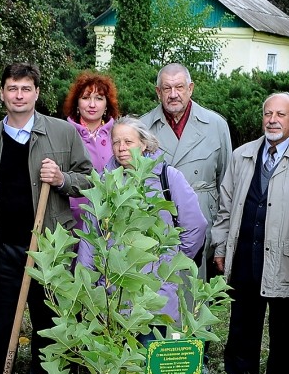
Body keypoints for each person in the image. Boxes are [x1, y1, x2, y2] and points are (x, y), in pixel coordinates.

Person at [0, 62, 92, 374]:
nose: (19, 95)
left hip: (49, 248)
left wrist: (63, 178)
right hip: (4, 251)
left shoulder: (63, 134)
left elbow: (89, 177)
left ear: (36, 93)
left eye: (26, 89)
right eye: (12, 89)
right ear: (2, 93)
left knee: (49, 325)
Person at [212, 93, 289, 374]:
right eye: (268, 114)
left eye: (281, 114)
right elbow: (225, 208)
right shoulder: (242, 156)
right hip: (246, 253)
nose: (273, 120)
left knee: (285, 330)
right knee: (242, 323)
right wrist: (221, 248)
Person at [76, 116, 206, 332]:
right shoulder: (103, 182)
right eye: (116, 142)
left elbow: (196, 226)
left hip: (156, 291)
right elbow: (90, 235)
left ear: (144, 144)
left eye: (129, 142)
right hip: (113, 291)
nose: (121, 148)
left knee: (153, 355)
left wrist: (170, 262)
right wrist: (87, 284)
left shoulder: (168, 177)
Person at [140, 63, 232, 278]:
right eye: (167, 88)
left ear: (190, 88)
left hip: (202, 228)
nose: (173, 94)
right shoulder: (142, 127)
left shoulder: (216, 125)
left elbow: (228, 188)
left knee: (195, 302)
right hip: (156, 229)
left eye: (179, 87)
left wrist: (221, 238)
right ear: (158, 92)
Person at [62, 71, 120, 225]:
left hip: (111, 219)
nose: (92, 105)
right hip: (72, 220)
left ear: (107, 104)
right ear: (77, 103)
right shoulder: (63, 134)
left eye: (99, 98)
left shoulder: (118, 134)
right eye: (86, 98)